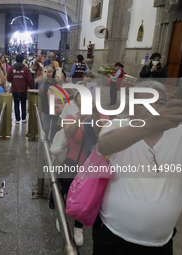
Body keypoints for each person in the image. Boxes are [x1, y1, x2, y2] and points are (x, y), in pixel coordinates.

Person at [94, 81, 182, 255]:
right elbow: (104, 145)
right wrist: (151, 124)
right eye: (145, 103)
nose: (153, 107)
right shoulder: (118, 126)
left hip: (160, 243)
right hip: (114, 237)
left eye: (159, 103)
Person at [61, 92, 108, 246]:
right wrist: (80, 118)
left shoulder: (103, 117)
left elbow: (99, 132)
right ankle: (60, 215)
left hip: (90, 167)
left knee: (83, 197)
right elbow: (68, 133)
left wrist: (94, 113)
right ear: (76, 101)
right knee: (65, 191)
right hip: (72, 163)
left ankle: (78, 227)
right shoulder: (71, 117)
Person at [7, 54, 34, 124]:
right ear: (23, 60)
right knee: (23, 103)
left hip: (15, 89)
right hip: (23, 90)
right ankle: (24, 118)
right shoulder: (26, 69)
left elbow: (8, 79)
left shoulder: (11, 68)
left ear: (15, 59)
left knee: (16, 104)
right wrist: (32, 88)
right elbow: (30, 80)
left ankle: (17, 119)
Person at [38, 65, 56, 141]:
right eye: (46, 72)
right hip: (45, 107)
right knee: (46, 127)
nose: (48, 74)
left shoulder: (56, 82)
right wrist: (43, 82)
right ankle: (45, 142)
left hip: (55, 108)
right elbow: (40, 93)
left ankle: (52, 140)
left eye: (50, 72)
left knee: (55, 127)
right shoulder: (43, 82)